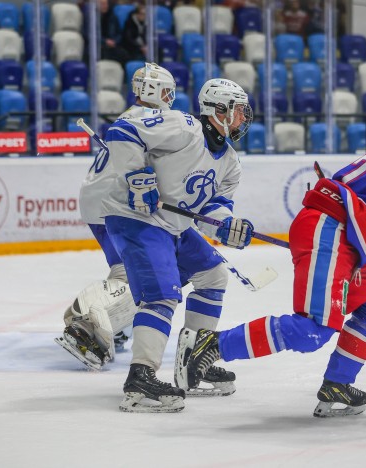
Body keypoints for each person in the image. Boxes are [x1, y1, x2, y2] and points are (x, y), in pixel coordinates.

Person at [180, 102, 366, 417]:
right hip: (330, 229)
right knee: (313, 331)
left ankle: (337, 383)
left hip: (345, 235)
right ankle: (215, 345)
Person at [90, 75, 254, 412]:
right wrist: (137, 176)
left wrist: (227, 226)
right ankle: (140, 378)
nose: (243, 117)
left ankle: (193, 361)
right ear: (218, 109)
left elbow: (213, 206)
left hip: (174, 226)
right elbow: (124, 130)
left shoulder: (231, 162)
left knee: (214, 276)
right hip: (136, 218)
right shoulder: (182, 127)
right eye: (238, 110)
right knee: (162, 295)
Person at [55, 63, 177, 371]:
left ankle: (111, 321)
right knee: (129, 270)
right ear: (153, 91)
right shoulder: (152, 121)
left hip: (97, 200)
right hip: (114, 203)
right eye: (166, 91)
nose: (169, 97)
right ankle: (86, 321)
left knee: (129, 268)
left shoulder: (131, 118)